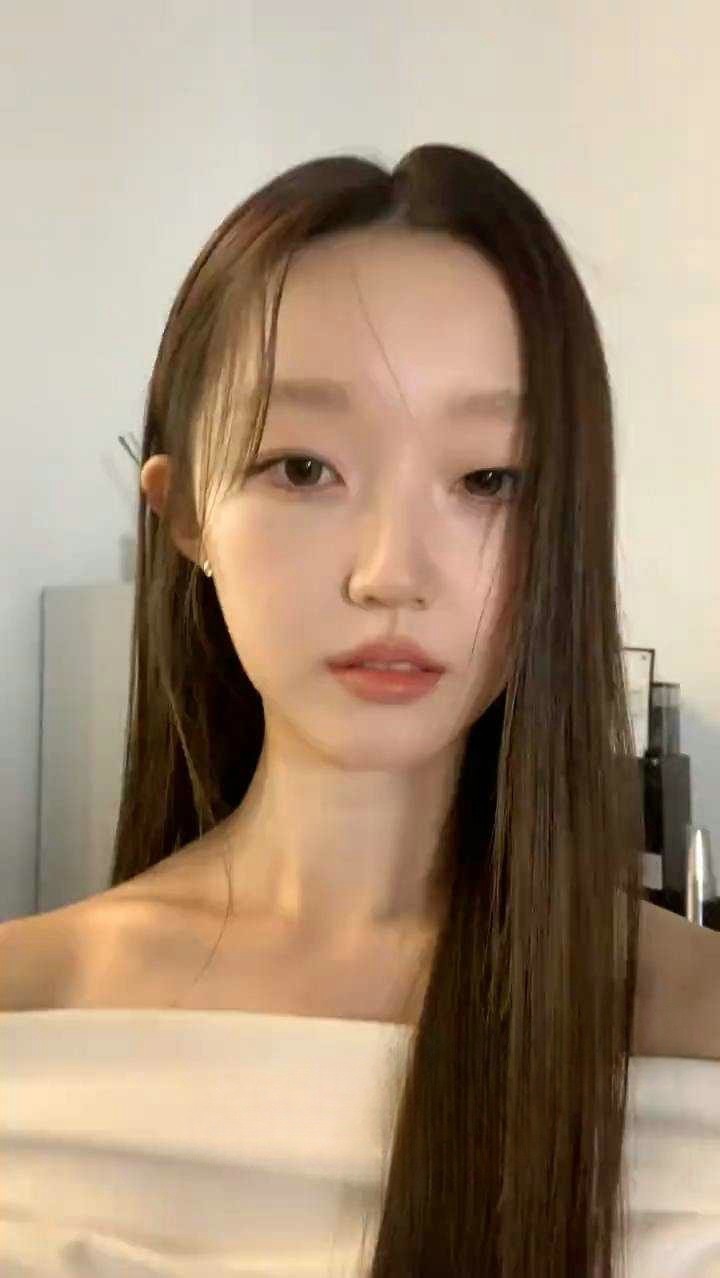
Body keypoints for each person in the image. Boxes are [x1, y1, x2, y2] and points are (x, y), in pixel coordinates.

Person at [3, 143, 720, 1277]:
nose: (391, 573)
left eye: (490, 480)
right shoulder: (27, 1020)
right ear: (183, 515)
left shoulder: (697, 1026)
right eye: (301, 469)